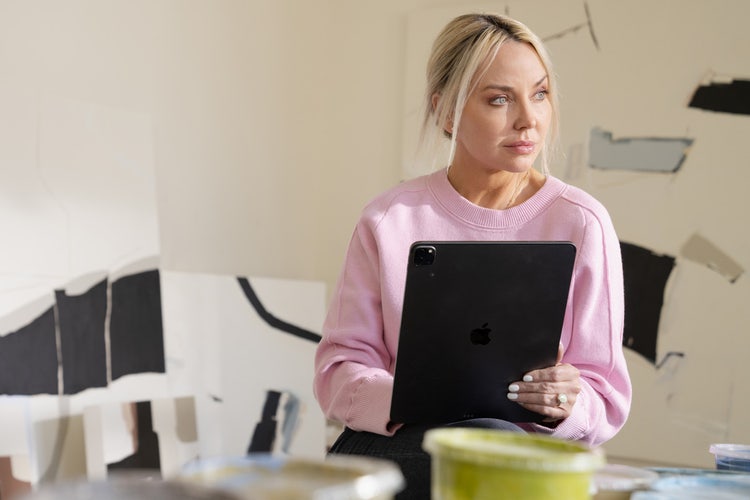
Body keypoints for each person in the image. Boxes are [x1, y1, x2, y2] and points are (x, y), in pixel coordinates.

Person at [314, 13, 631, 498]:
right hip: (405, 447)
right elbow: (339, 370)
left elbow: (605, 395)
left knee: (501, 452)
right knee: (488, 452)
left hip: (523, 465)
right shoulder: (389, 219)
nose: (529, 119)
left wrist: (566, 401)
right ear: (446, 112)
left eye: (540, 94)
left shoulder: (582, 222)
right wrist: (407, 398)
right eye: (500, 99)